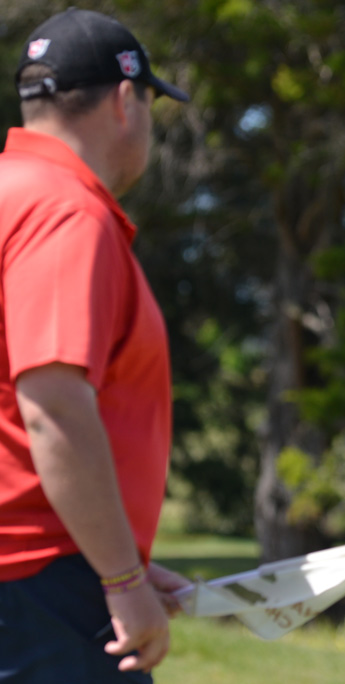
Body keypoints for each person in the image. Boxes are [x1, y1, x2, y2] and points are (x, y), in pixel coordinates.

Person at [0, 8, 191, 682]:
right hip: (41, 592)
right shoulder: (64, 211)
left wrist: (118, 552)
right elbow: (53, 407)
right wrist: (120, 578)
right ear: (124, 99)